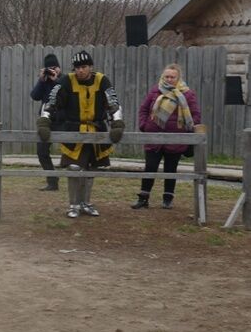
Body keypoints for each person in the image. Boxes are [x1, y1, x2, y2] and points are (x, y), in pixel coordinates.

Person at [37, 50, 124, 218]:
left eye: (84, 67)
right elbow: (51, 102)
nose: (80, 71)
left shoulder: (101, 80)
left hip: (96, 130)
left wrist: (117, 123)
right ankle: (73, 204)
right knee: (74, 168)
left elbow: (113, 102)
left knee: (90, 169)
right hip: (74, 130)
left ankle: (85, 202)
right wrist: (44, 121)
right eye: (77, 67)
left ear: (90, 67)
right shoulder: (66, 81)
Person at [132, 63, 202, 210]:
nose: (169, 79)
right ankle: (143, 198)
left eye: (172, 77)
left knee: (171, 169)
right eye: (167, 76)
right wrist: (144, 125)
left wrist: (184, 129)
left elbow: (195, 115)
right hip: (153, 137)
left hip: (175, 138)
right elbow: (144, 109)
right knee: (150, 168)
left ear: (178, 78)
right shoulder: (155, 91)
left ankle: (167, 199)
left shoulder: (187, 94)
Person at [30, 53, 65, 191]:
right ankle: (52, 181)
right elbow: (34, 96)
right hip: (47, 121)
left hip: (63, 120)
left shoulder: (65, 80)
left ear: (59, 68)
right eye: (49, 68)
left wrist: (57, 80)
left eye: (54, 67)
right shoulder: (44, 82)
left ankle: (77, 179)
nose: (52, 70)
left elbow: (65, 94)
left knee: (73, 150)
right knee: (41, 151)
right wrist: (41, 80)